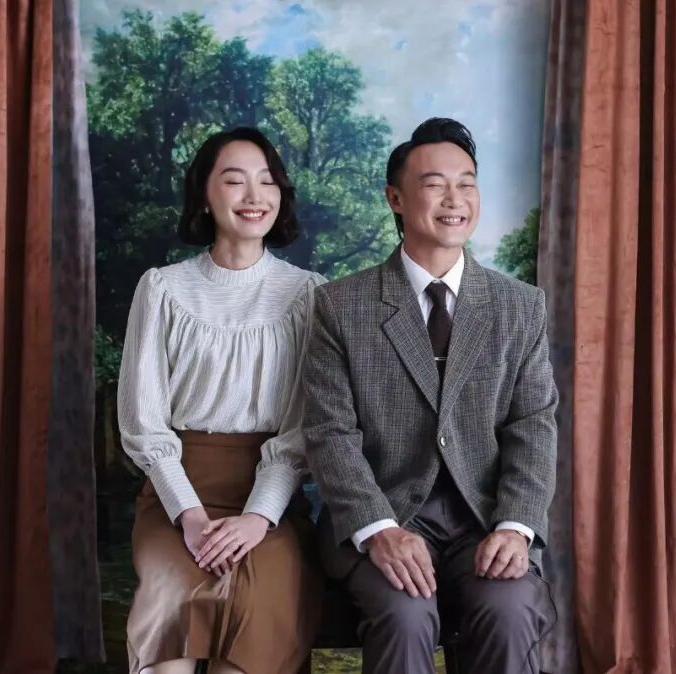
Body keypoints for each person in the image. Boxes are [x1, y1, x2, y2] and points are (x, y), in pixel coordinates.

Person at [303, 118, 558, 674]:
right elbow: (329, 434)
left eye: (467, 184)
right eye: (435, 184)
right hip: (384, 513)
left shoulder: (521, 306)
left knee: (511, 609)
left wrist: (515, 526)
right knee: (405, 613)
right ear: (395, 198)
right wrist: (379, 529)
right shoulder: (340, 306)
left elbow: (533, 428)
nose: (454, 199)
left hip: (483, 519)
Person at [119, 127, 324, 674]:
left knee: (258, 617)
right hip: (175, 497)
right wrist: (189, 516)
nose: (254, 196)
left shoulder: (308, 294)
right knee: (170, 616)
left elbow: (302, 429)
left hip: (271, 504)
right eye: (234, 181)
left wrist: (258, 518)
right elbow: (143, 423)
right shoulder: (161, 289)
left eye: (267, 181)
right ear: (205, 196)